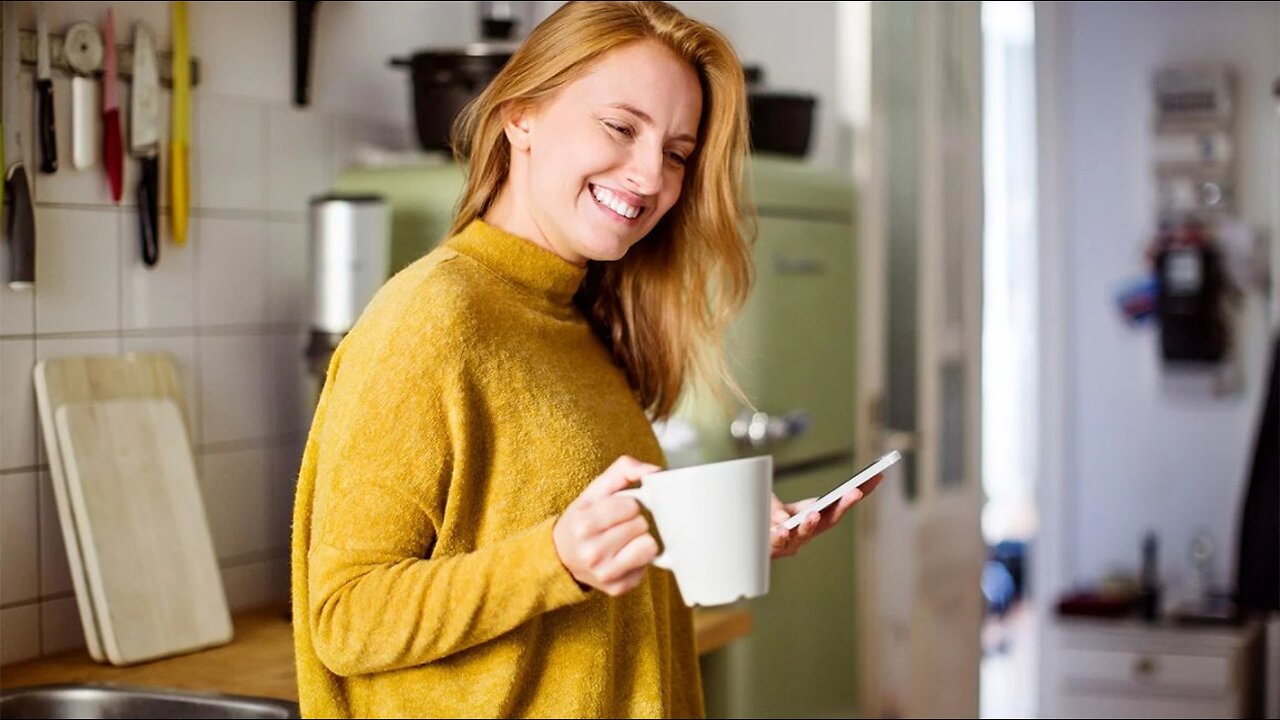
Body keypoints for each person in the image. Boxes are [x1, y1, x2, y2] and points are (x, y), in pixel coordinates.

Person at [290, 2, 880, 717]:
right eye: (621, 127)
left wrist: (703, 526)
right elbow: (346, 619)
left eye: (676, 153)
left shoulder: (574, 319)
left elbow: (548, 543)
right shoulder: (432, 317)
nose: (649, 175)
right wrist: (555, 561)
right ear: (521, 115)